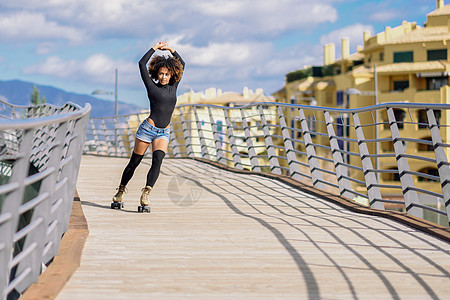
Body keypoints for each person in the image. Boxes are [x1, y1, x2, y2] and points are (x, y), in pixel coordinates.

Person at [112, 41, 185, 211]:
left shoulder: (174, 86)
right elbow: (141, 63)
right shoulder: (151, 87)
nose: (164, 77)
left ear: (171, 74)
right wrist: (154, 48)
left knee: (157, 161)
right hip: (147, 130)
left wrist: (170, 49)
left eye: (167, 74)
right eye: (161, 74)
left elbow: (182, 63)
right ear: (157, 74)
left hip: (163, 132)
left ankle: (146, 192)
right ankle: (121, 190)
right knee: (134, 162)